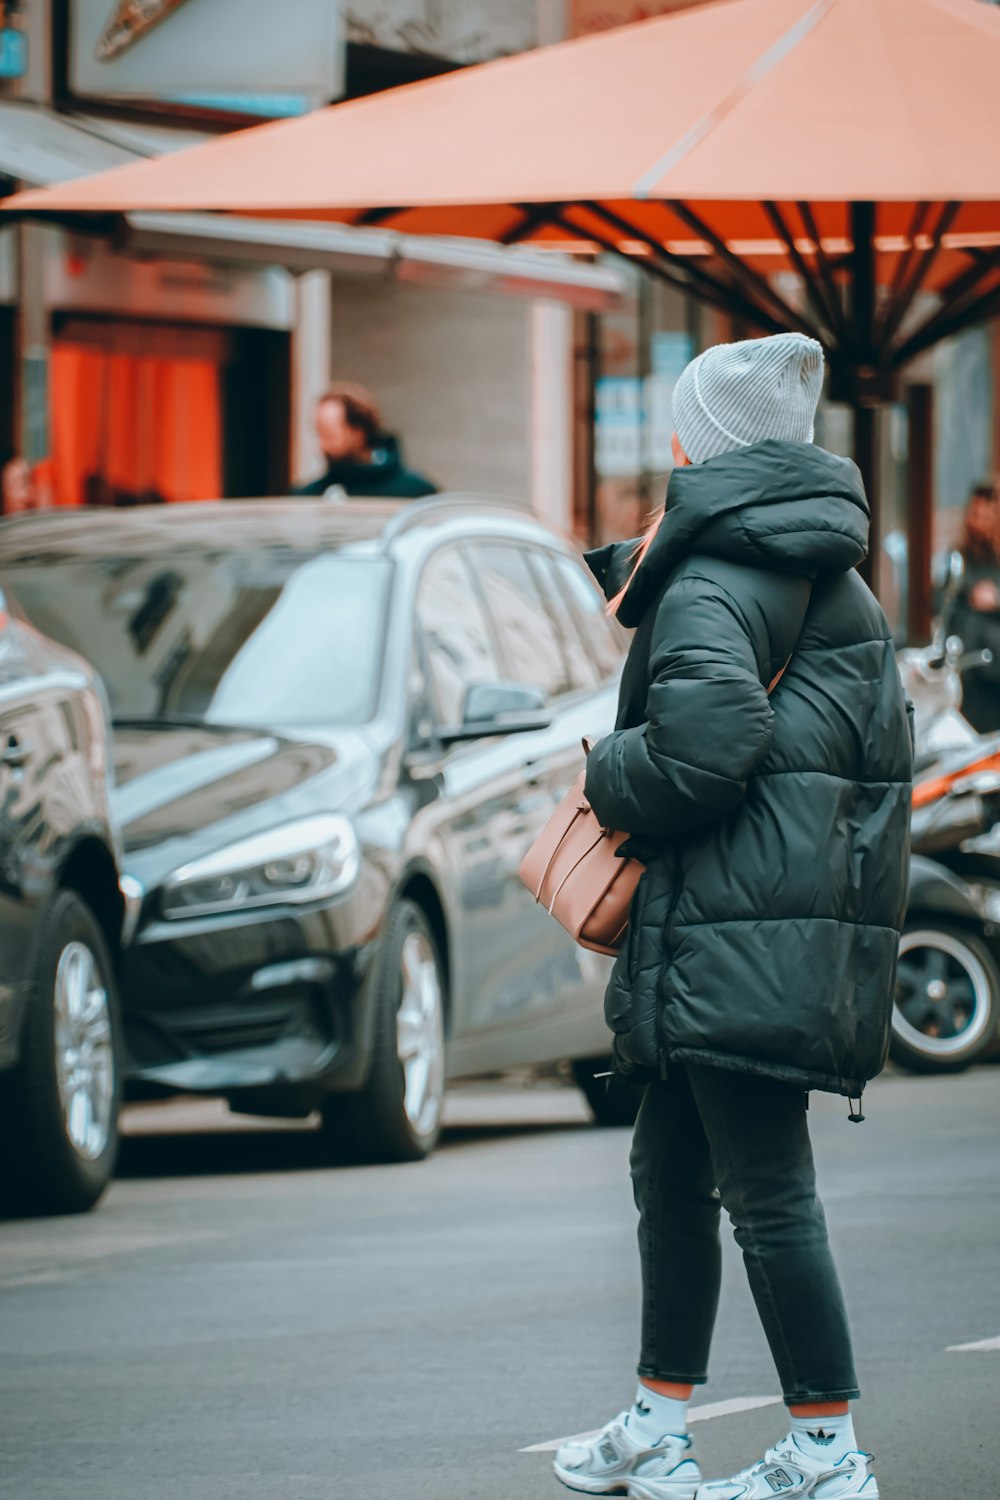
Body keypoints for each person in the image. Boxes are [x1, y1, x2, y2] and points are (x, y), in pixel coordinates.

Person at [552, 334, 912, 1500]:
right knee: (671, 1173)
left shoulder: (714, 574)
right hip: (775, 919)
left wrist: (606, 770)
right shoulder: (831, 570)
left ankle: (824, 1449)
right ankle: (657, 1421)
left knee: (764, 1190)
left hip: (731, 922)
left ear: (695, 442)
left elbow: (707, 752)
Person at [293, 382, 437, 499]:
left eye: (329, 436)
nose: (320, 446)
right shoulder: (309, 496)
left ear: (358, 433)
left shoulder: (416, 492)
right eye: (318, 435)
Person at [943, 480, 1000, 734]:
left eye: (986, 515)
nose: (979, 522)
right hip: (969, 672)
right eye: (975, 513)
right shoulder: (958, 558)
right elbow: (940, 604)